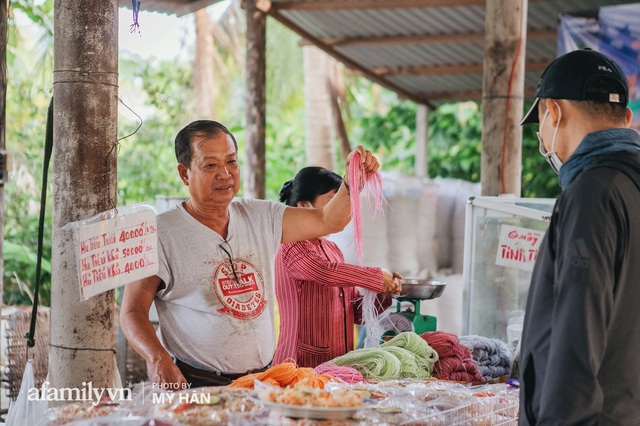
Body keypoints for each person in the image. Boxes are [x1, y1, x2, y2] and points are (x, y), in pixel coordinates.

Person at [120, 120, 381, 388]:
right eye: (210, 165)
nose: (225, 174)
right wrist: (157, 359)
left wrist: (350, 182)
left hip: (262, 381)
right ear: (184, 174)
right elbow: (132, 311)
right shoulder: (158, 233)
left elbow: (329, 220)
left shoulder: (260, 216)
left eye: (231, 162)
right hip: (197, 384)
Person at [519, 48, 640, 425]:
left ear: (553, 112)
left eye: (539, 120)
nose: (543, 135)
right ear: (627, 118)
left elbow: (575, 337)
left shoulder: (592, 194)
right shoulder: (628, 185)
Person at [273, 167, 402, 367]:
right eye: (334, 200)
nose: (345, 210)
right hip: (299, 366)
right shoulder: (291, 245)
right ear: (305, 205)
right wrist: (376, 276)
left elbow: (356, 313)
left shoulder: (333, 249)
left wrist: (383, 294)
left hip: (338, 365)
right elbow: (323, 271)